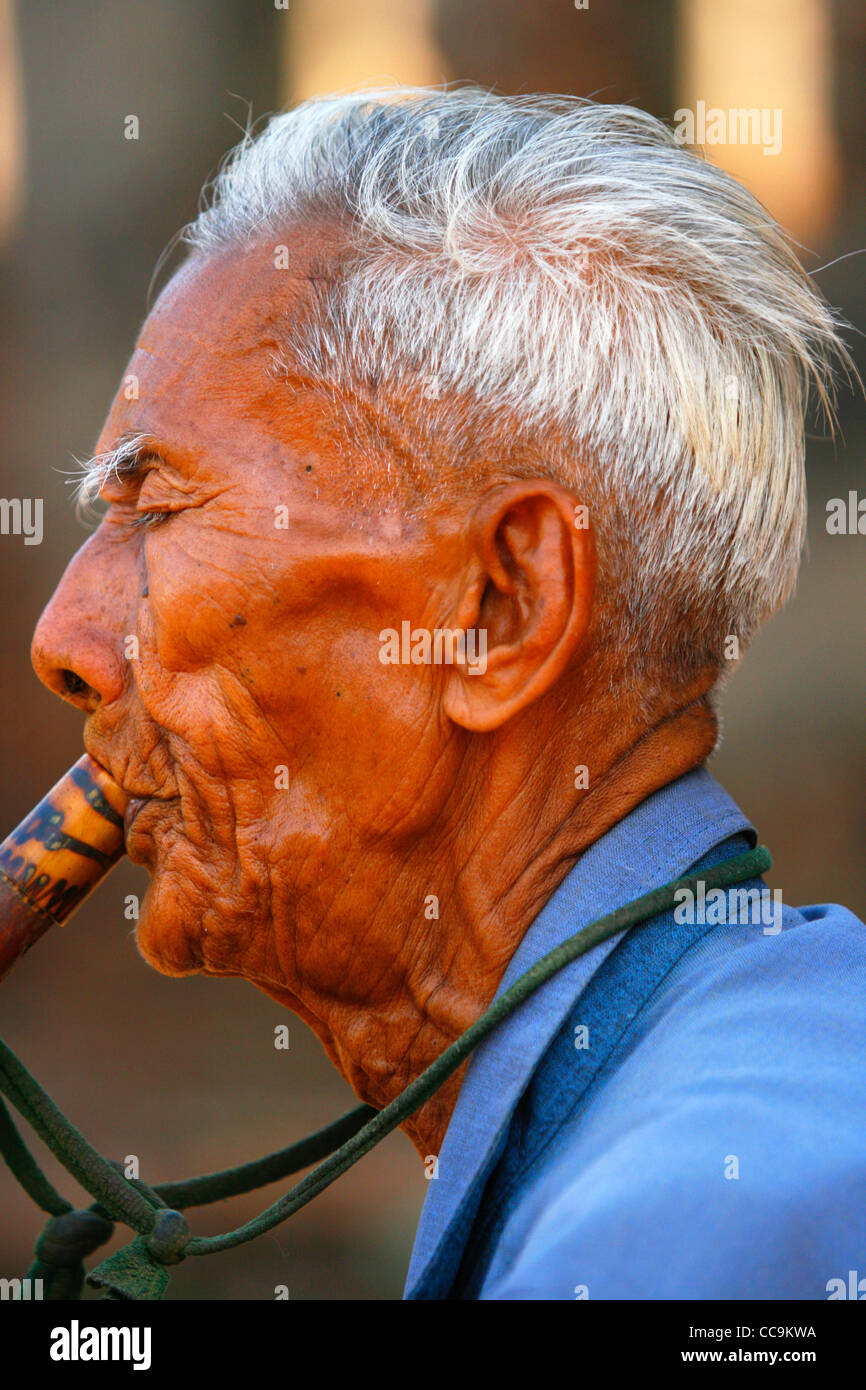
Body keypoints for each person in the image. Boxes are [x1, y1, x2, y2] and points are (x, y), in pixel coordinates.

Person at [30, 88, 866, 1299]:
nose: (65, 640)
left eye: (157, 507)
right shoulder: (753, 1065)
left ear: (497, 611)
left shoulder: (686, 1236)